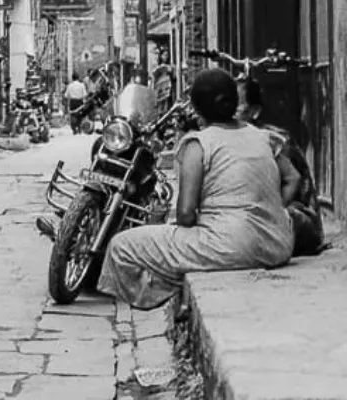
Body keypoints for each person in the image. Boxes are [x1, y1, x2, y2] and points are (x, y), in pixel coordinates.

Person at [98, 68, 297, 310]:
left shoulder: (198, 143)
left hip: (229, 246)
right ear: (234, 102)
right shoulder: (262, 136)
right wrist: (272, 210)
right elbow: (293, 178)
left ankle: (160, 298)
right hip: (278, 244)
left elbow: (185, 215)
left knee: (120, 247)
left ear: (196, 108)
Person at [238, 78, 325, 256]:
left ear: (254, 111)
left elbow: (294, 180)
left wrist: (271, 211)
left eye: (236, 107)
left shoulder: (273, 139)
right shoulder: (236, 138)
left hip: (298, 218)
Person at [152, 49, 175, 118]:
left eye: (167, 55)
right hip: (160, 88)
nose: (166, 57)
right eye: (164, 55)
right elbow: (154, 76)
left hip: (168, 87)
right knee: (160, 105)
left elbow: (174, 77)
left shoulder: (170, 66)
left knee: (167, 105)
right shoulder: (157, 66)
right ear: (161, 56)